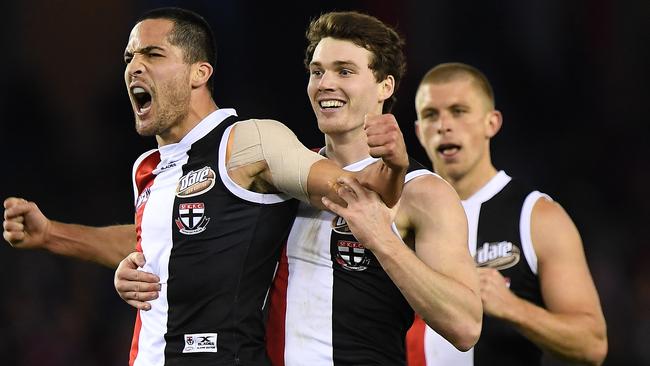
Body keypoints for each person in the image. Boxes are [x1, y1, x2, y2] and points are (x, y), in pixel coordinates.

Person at [2, 7, 410, 366]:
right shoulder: (148, 168)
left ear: (200, 72)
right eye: (130, 57)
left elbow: (356, 192)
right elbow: (157, 242)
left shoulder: (250, 141)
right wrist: (51, 234)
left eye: (153, 54)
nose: (134, 67)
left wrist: (393, 166)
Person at [116, 11, 483, 366]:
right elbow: (186, 233)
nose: (326, 84)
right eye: (317, 72)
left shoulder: (423, 192)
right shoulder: (275, 176)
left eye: (345, 71)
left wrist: (383, 241)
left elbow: (465, 327)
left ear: (385, 85)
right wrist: (128, 266)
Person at [405, 62, 608, 365]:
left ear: (492, 123)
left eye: (459, 111)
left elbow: (592, 344)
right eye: (431, 115)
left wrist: (512, 307)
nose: (444, 125)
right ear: (420, 131)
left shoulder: (537, 216)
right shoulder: (399, 212)